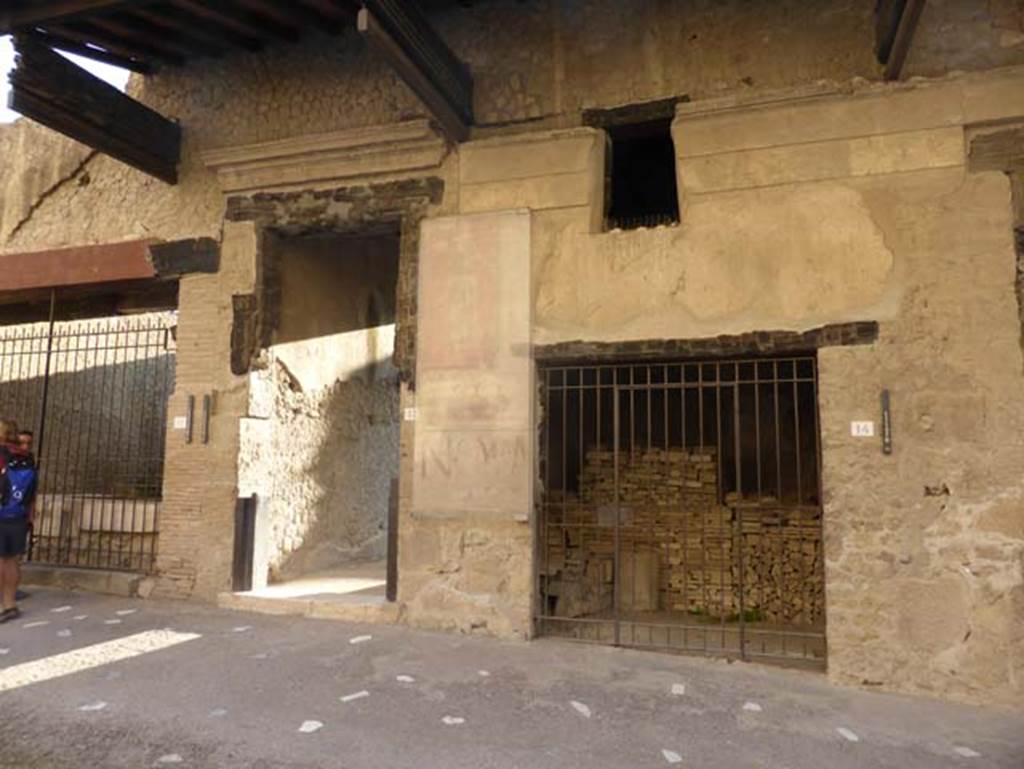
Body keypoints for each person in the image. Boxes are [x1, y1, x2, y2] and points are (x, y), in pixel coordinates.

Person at [0, 418, 38, 623]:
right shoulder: (26, 456)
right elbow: (32, 490)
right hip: (19, 515)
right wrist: (30, 514)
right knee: (12, 560)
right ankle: (9, 604)